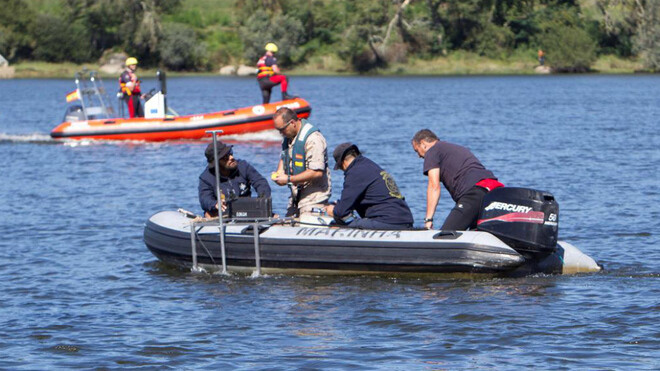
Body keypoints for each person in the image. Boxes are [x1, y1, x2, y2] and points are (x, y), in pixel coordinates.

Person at [411, 129, 504, 231]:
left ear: (423, 144)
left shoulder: (432, 151)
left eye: (417, 150)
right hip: (495, 192)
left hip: (475, 193)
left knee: (446, 235)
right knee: (474, 234)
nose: (418, 156)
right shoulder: (454, 148)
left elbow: (434, 186)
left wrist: (428, 220)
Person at [325, 143, 414, 230]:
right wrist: (341, 205)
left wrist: (332, 210)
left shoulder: (354, 172)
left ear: (343, 163)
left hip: (388, 221)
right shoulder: (368, 165)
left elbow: (341, 212)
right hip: (405, 218)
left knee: (336, 226)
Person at [271, 107, 331, 217]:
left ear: (292, 123)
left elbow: (316, 172)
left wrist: (288, 179)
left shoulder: (314, 139)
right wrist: (279, 173)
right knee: (287, 226)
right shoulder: (289, 137)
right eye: (278, 130)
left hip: (314, 197)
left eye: (282, 129)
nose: (280, 133)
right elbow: (284, 157)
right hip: (295, 197)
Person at [199, 141, 271, 218]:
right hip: (224, 213)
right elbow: (205, 199)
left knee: (271, 214)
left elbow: (260, 182)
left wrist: (262, 200)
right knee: (208, 214)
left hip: (247, 209)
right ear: (216, 163)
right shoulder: (206, 177)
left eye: (230, 153)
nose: (231, 158)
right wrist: (215, 204)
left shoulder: (243, 166)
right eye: (226, 157)